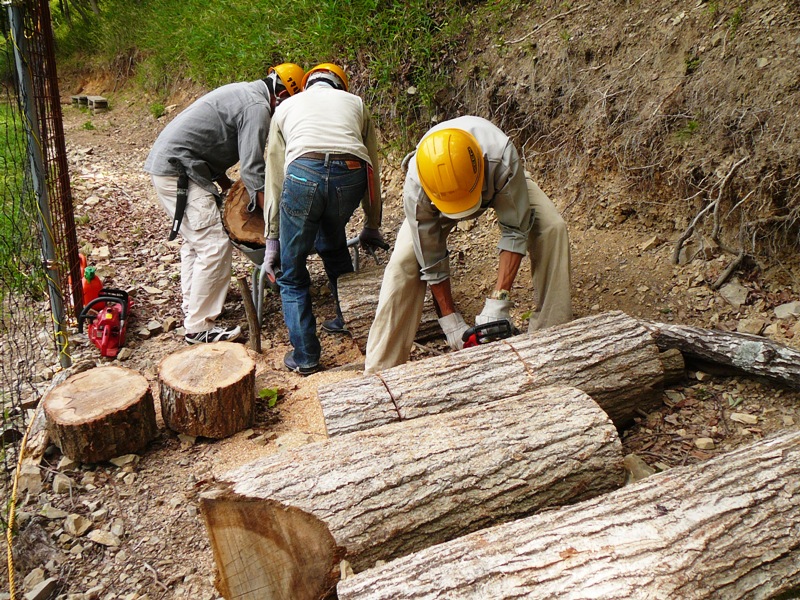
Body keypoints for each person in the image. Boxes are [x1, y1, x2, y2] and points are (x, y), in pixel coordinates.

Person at [364, 115, 572, 375]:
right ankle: (381, 370)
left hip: (497, 180)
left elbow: (514, 229)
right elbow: (431, 256)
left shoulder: (501, 156)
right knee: (402, 264)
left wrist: (499, 300)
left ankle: (552, 338)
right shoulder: (417, 185)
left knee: (552, 227)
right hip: (438, 196)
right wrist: (449, 319)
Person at [144, 63, 304, 344]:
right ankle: (198, 328)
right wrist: (271, 220)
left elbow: (210, 141)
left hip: (172, 166)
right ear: (282, 95)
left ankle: (192, 307)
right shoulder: (257, 108)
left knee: (196, 243)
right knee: (213, 244)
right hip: (179, 172)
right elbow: (253, 169)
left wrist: (228, 187)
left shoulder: (243, 93)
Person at [261, 63, 386, 375]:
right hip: (351, 176)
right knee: (333, 243)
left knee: (291, 271)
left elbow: (275, 178)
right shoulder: (356, 104)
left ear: (306, 85)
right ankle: (349, 319)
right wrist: (372, 223)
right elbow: (373, 169)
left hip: (303, 173)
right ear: (339, 86)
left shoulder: (287, 106)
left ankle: (305, 356)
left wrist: (272, 239)